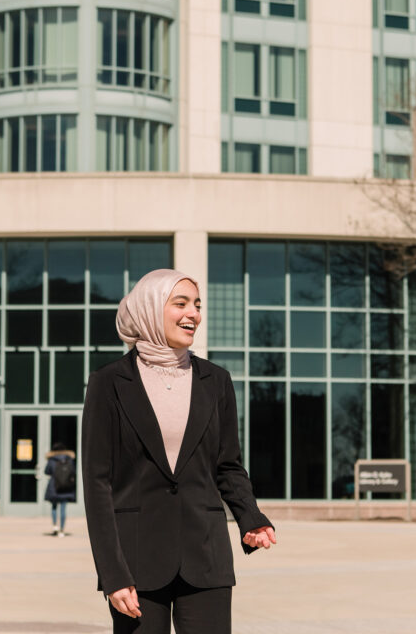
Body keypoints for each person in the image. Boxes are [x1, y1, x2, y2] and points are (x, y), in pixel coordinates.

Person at [83, 269, 276, 634]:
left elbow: (229, 466)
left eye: (198, 305)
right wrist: (112, 572)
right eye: (181, 303)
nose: (194, 314)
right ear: (151, 309)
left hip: (206, 555)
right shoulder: (108, 383)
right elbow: (97, 485)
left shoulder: (216, 380)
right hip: (136, 563)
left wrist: (251, 516)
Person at [44, 442, 76, 536]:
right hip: (66, 486)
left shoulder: (51, 460)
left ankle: (55, 527)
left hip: (54, 486)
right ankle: (62, 530)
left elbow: (47, 471)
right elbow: (73, 471)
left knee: (54, 507)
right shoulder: (69, 459)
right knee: (63, 508)